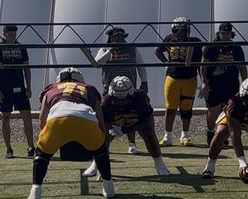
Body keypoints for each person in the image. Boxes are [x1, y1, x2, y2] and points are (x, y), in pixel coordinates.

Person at [27, 67, 114, 199]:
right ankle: (109, 188)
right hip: (86, 119)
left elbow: (42, 118)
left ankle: (35, 192)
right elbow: (99, 115)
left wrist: (46, 140)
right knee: (100, 151)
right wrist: (100, 136)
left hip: (57, 119)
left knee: (42, 154)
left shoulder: (51, 89)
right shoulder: (89, 88)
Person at [82, 75, 170, 179]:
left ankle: (159, 163)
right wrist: (110, 129)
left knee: (149, 134)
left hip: (136, 121)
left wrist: (125, 129)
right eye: (117, 99)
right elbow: (102, 123)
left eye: (123, 99)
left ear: (131, 95)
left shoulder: (141, 101)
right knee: (102, 136)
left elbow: (146, 123)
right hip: (115, 122)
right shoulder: (106, 103)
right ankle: (97, 163)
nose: (120, 102)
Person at [93, 26, 148, 154]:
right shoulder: (104, 48)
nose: (119, 39)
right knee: (106, 116)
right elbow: (97, 64)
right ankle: (104, 143)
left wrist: (144, 82)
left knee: (131, 115)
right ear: (110, 38)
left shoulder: (132, 49)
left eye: (121, 37)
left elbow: (141, 66)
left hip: (130, 89)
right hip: (109, 90)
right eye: (116, 37)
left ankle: (132, 144)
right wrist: (109, 51)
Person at [154, 17, 203, 146]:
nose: (179, 33)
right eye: (177, 30)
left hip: (189, 79)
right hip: (172, 77)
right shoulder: (169, 39)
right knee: (170, 108)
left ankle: (185, 135)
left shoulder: (195, 42)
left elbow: (200, 63)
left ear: (187, 31)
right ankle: (167, 136)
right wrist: (166, 62)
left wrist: (203, 80)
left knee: (186, 108)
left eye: (182, 31)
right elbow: (157, 50)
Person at [0, 23, 35, 158]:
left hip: (20, 87)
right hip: (4, 88)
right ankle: (9, 149)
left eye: (15, 34)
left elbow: (27, 69)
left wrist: (29, 87)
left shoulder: (21, 48)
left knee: (27, 115)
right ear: (4, 34)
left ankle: (31, 147)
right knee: (5, 117)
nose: (13, 37)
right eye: (10, 34)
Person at [200, 22, 248, 145]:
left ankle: (223, 135)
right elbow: (203, 66)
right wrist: (204, 82)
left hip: (231, 84)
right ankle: (211, 133)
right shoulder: (211, 47)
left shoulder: (236, 47)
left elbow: (242, 67)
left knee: (229, 110)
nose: (225, 35)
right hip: (214, 84)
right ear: (219, 33)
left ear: (231, 34)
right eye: (223, 33)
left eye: (228, 33)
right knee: (213, 111)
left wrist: (245, 83)